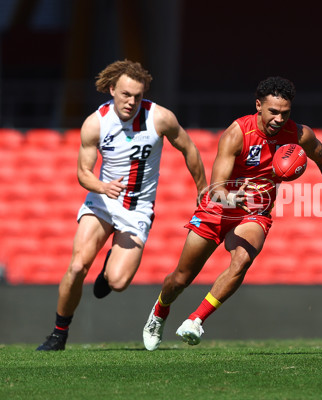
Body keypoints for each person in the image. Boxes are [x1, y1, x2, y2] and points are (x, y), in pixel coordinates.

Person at [142, 76, 322, 351]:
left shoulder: (299, 134)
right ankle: (160, 310)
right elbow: (215, 187)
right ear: (258, 106)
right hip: (219, 208)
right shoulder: (237, 133)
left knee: (241, 261)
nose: (278, 118)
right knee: (180, 278)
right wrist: (232, 197)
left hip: (256, 211)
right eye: (273, 112)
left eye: (284, 113)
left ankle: (195, 320)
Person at [36, 60, 208, 351]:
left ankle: (106, 273)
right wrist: (102, 186)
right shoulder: (96, 122)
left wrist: (203, 188)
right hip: (102, 201)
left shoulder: (160, 118)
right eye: (126, 94)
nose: (131, 102)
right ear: (112, 89)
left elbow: (189, 148)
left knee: (118, 282)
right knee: (77, 266)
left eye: (138, 96)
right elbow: (83, 173)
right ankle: (58, 334)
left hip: (138, 208)